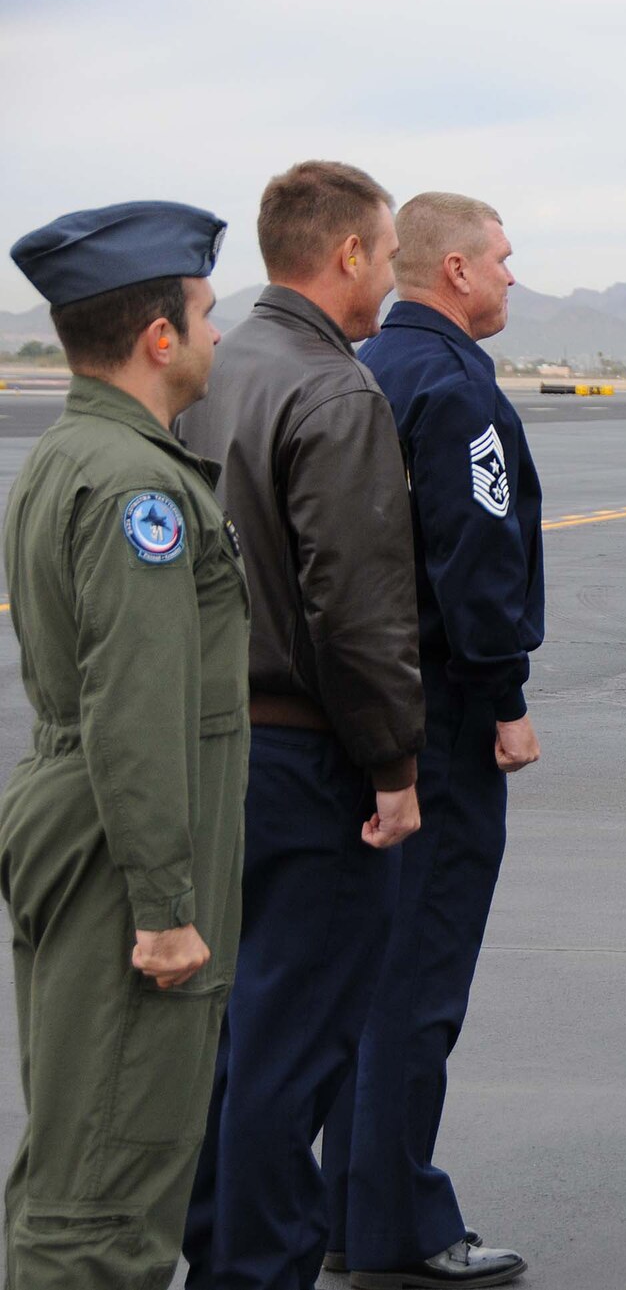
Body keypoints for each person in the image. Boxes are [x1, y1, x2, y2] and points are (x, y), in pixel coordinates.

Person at [176, 161, 429, 1288]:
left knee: (226, 1044)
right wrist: (394, 764)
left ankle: (211, 1250)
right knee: (296, 1047)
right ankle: (262, 1269)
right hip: (303, 758)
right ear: (345, 257)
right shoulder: (336, 391)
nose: (387, 273)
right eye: (382, 252)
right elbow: (358, 604)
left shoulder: (211, 373)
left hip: (212, 743)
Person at [0, 202, 244, 1289]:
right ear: (159, 337)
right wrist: (164, 909)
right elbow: (135, 709)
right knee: (107, 1183)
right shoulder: (138, 484)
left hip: (82, 817)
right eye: (204, 314)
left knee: (83, 1148)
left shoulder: (76, 451)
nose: (215, 336)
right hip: (118, 848)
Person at [319, 192, 540, 1289]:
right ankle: (399, 1222)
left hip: (355, 717)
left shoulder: (359, 371)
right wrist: (504, 698)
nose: (510, 277)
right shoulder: (454, 392)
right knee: (421, 980)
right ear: (454, 270)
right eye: (501, 260)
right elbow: (477, 559)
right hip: (439, 719)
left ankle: (348, 1208)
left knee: (366, 977)